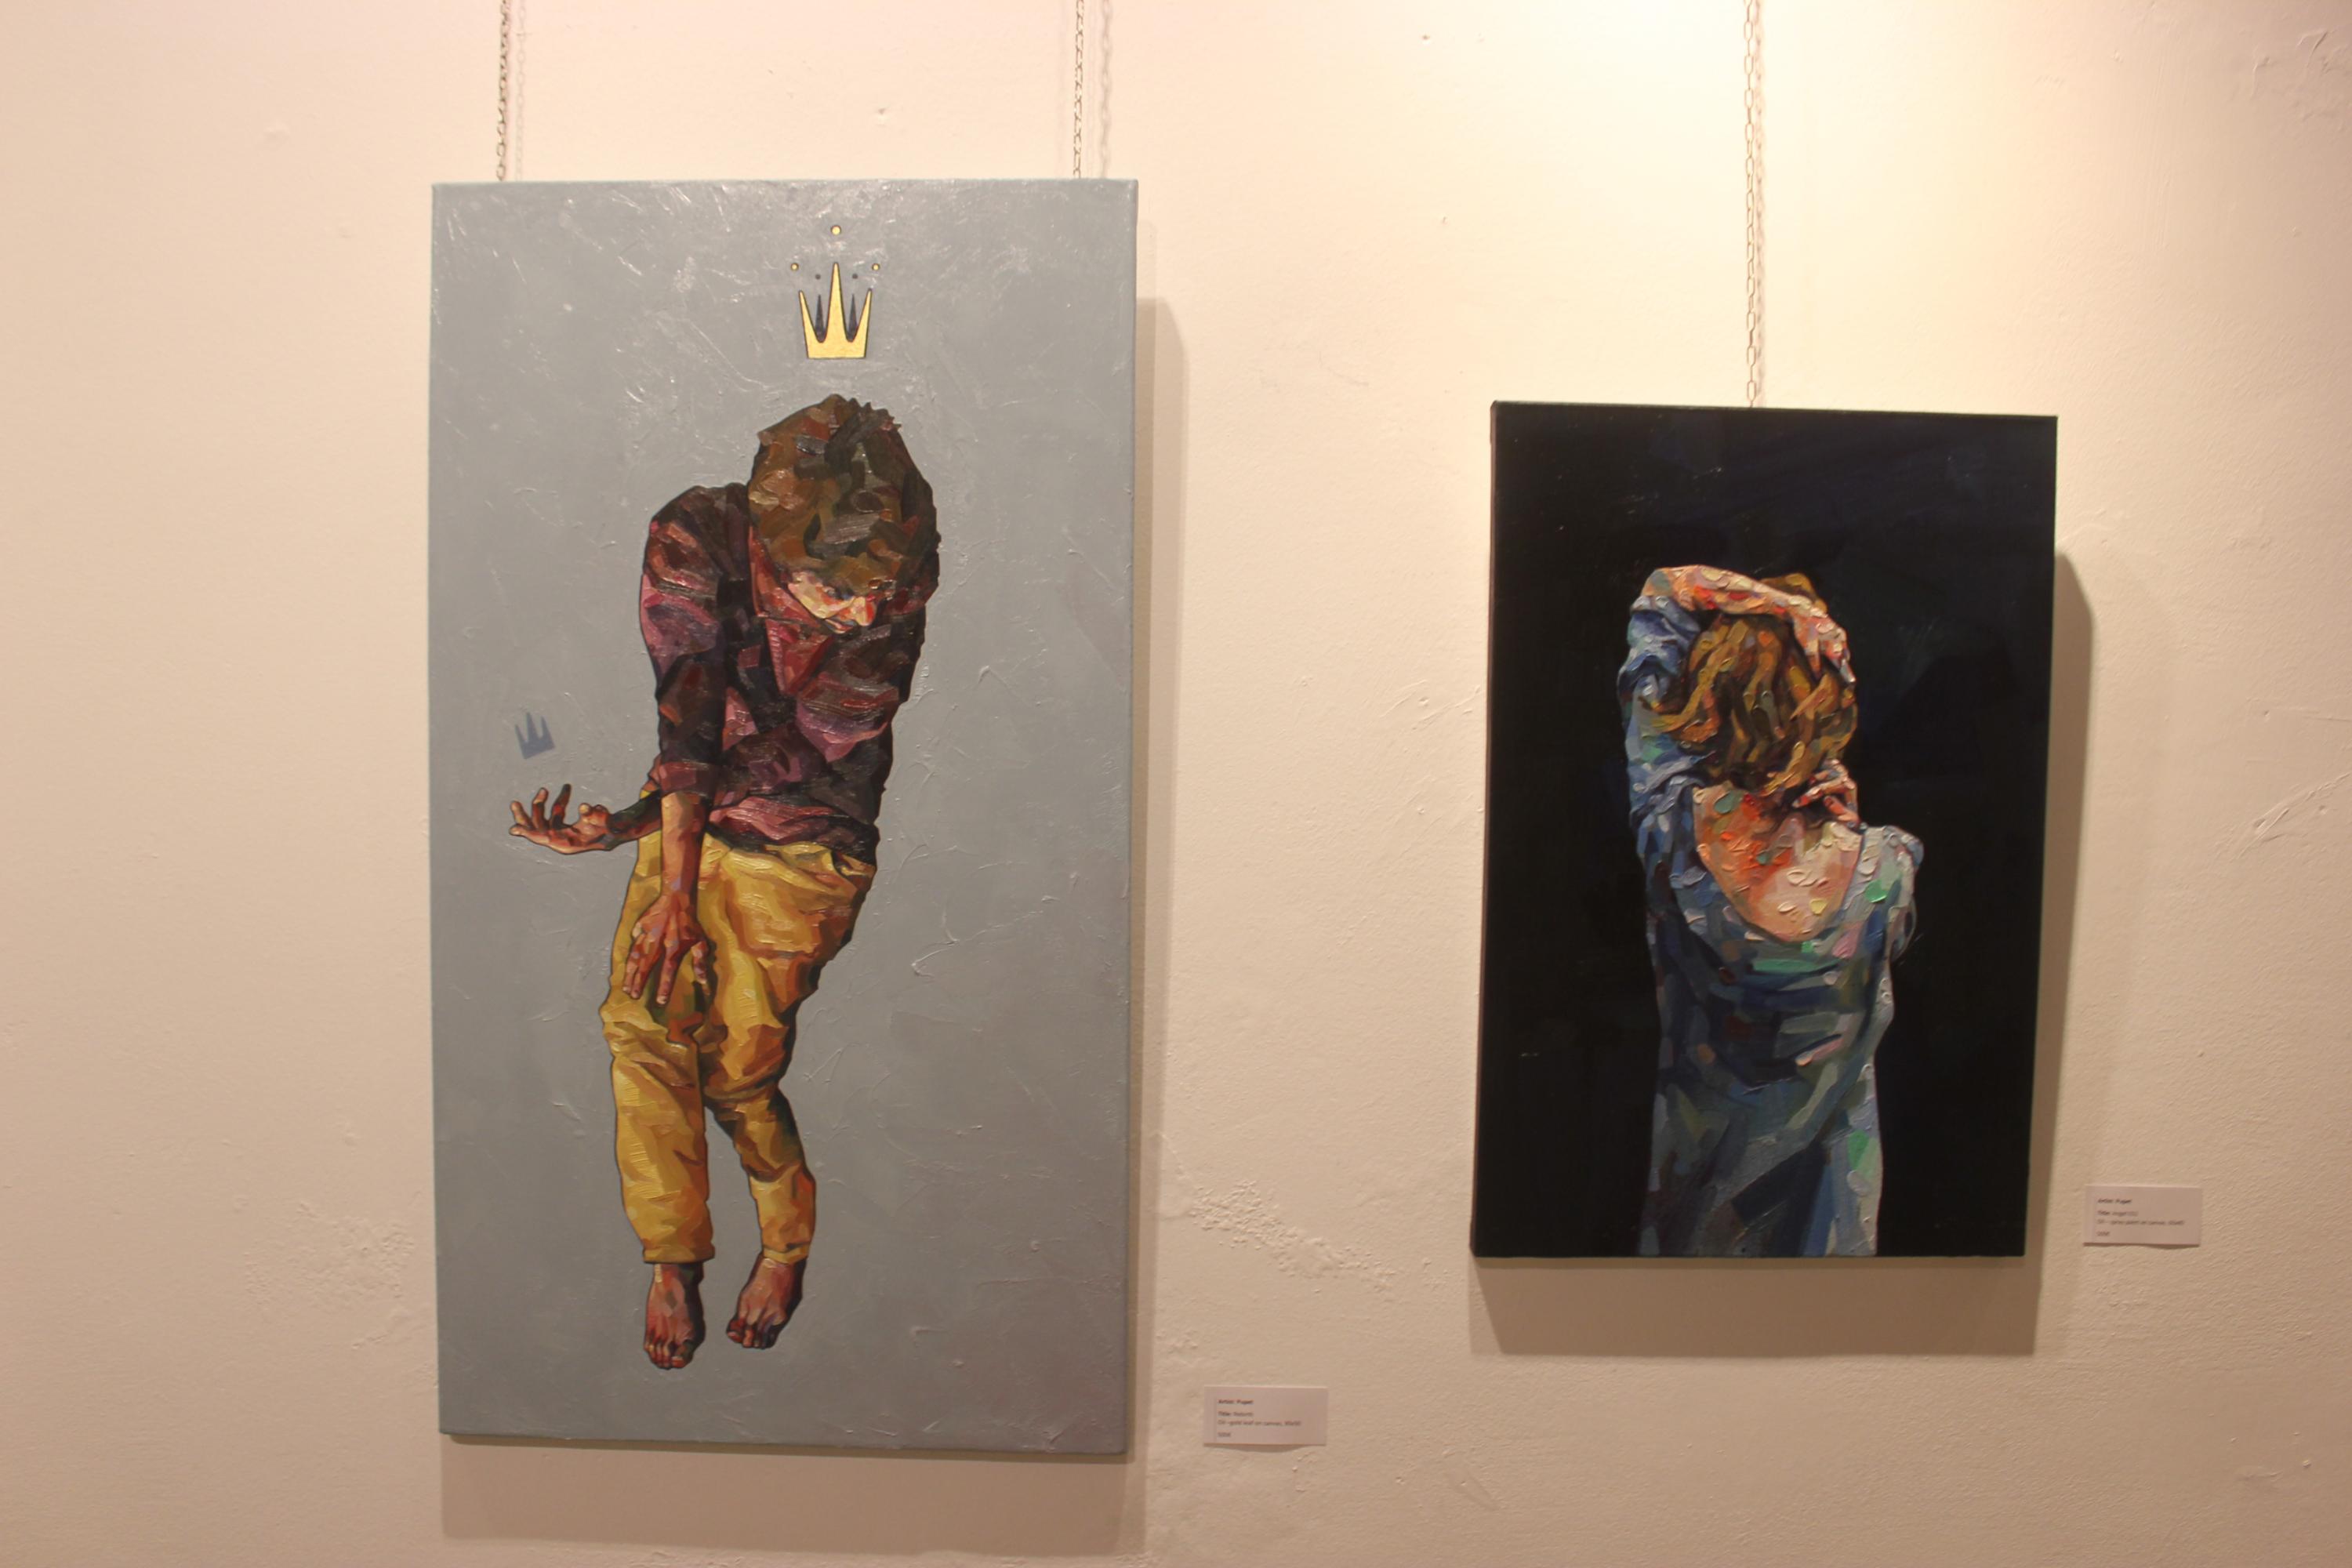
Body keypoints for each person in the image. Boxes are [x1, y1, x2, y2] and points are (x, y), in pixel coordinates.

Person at [507, 394, 938, 1367]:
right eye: (833, 593)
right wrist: (654, 858)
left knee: (739, 1073)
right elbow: (689, 713)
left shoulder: (896, 583)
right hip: (692, 820)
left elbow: (802, 752)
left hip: (809, 842)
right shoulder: (696, 535)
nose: (862, 615)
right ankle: (672, 1258)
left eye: (878, 593)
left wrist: (640, 830)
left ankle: (785, 1242)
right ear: (772, 550)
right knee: (643, 1032)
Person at [1619, 564, 1921, 1257]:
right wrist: (1850, 831)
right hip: (1834, 1244)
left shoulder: (1669, 834)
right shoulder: (1889, 870)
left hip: (1694, 1232)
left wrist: (1782, 609)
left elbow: (1664, 593)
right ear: (1828, 707)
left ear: (1708, 697)